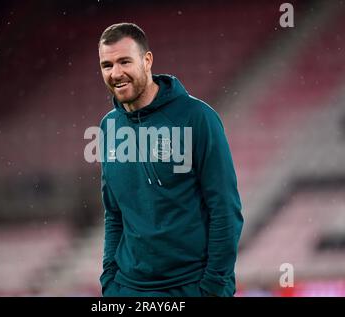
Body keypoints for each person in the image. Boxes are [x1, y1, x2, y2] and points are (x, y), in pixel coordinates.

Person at [97, 22, 243, 297]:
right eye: (107, 65)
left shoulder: (197, 118)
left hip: (191, 286)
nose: (116, 73)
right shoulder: (108, 128)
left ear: (147, 60)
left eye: (124, 61)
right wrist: (110, 283)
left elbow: (225, 210)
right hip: (128, 290)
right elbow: (114, 214)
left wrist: (213, 287)